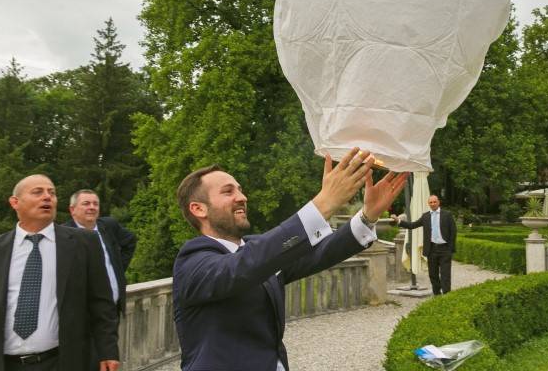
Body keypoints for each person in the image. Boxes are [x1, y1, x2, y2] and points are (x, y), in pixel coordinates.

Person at [173, 148, 408, 371]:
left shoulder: (257, 250)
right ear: (198, 209)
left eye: (240, 190)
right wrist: (324, 204)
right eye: (228, 191)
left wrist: (368, 216)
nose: (242, 197)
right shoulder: (192, 262)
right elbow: (245, 266)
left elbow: (320, 253)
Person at [0, 175, 120, 371]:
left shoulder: (84, 243)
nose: (47, 197)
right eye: (38, 192)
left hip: (61, 361)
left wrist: (108, 351)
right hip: (5, 363)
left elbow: (101, 303)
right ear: (15, 202)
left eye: (51, 193)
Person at [63, 189, 137, 313]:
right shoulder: (63, 235)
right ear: (72, 210)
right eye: (86, 203)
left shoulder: (109, 226)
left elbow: (130, 241)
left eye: (95, 204)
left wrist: (117, 268)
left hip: (111, 309)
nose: (92, 207)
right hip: (80, 312)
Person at [393, 194, 457, 295]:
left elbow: (453, 232)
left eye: (434, 202)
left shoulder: (447, 215)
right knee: (433, 275)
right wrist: (399, 221)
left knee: (445, 275)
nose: (433, 204)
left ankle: (447, 295)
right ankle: (437, 295)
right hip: (431, 249)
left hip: (445, 250)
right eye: (431, 202)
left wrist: (450, 249)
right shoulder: (425, 216)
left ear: (438, 202)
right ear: (428, 204)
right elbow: (412, 225)